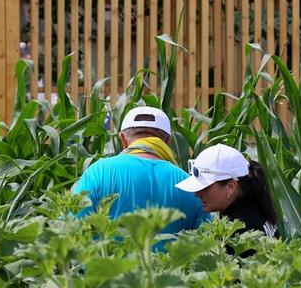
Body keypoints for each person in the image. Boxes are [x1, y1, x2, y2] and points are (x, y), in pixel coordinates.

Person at [72, 106, 209, 238]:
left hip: (108, 262)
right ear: (168, 141)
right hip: (167, 262)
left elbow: (71, 227)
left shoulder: (98, 172)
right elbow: (208, 239)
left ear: (123, 139)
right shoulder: (188, 183)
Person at [176, 144, 279, 248]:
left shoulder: (236, 229)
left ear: (231, 186)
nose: (197, 194)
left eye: (205, 188)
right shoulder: (256, 206)